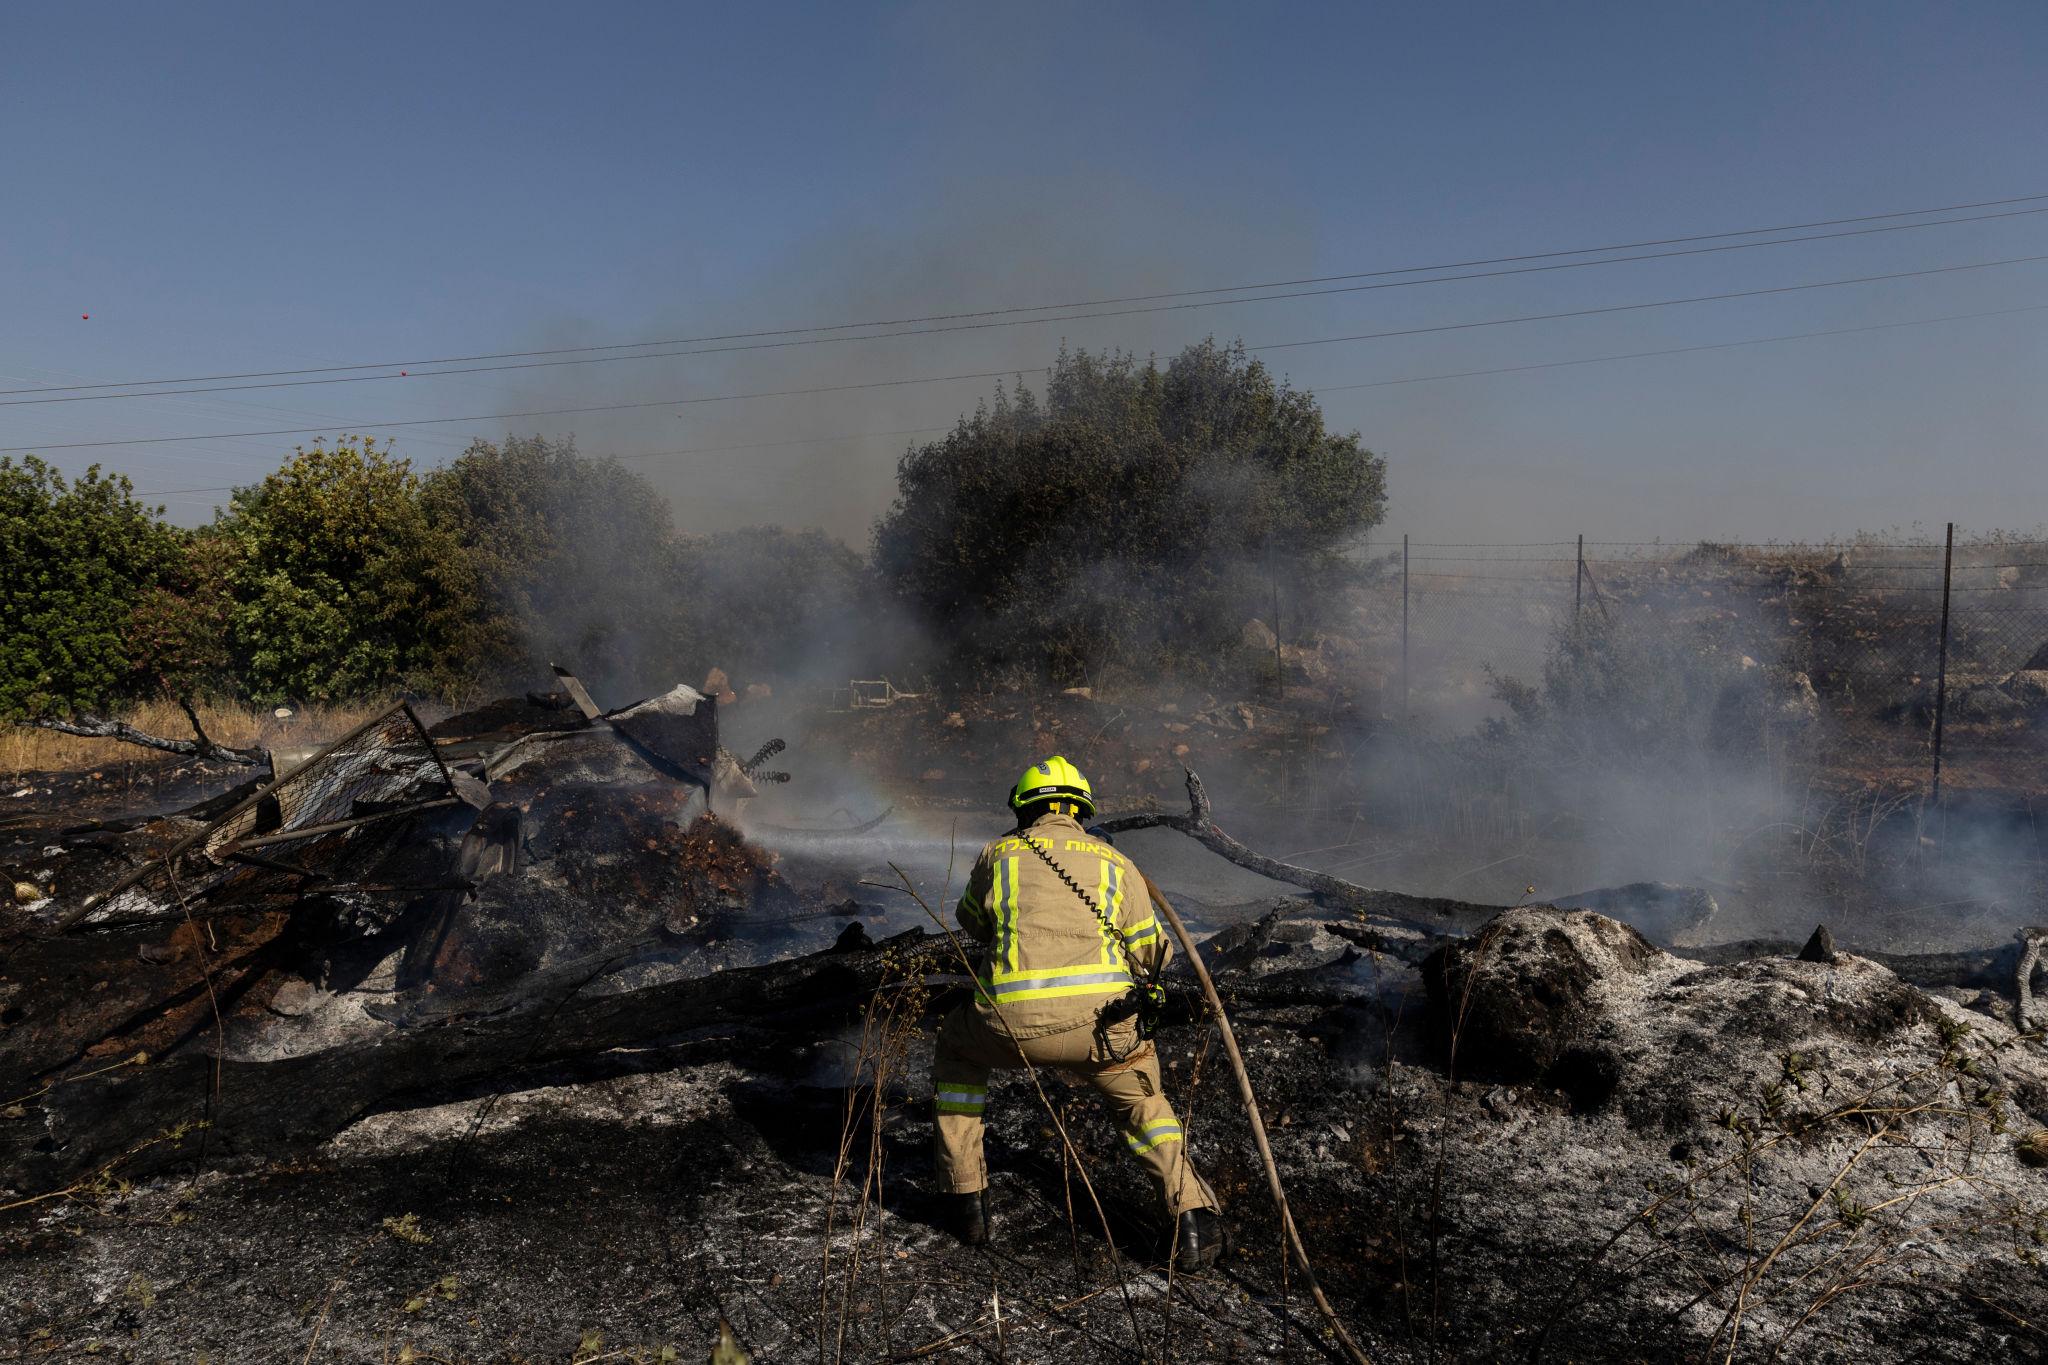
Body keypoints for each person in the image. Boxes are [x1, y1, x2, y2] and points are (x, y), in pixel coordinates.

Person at [930, 755, 1224, 1269]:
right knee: (1144, 1104)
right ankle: (1192, 1219)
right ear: (1081, 812)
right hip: (1103, 1033)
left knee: (956, 1052)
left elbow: (973, 923)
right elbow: (1153, 954)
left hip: (1007, 1028)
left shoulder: (998, 854)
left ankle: (965, 1199)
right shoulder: (1117, 863)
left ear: (1024, 810)